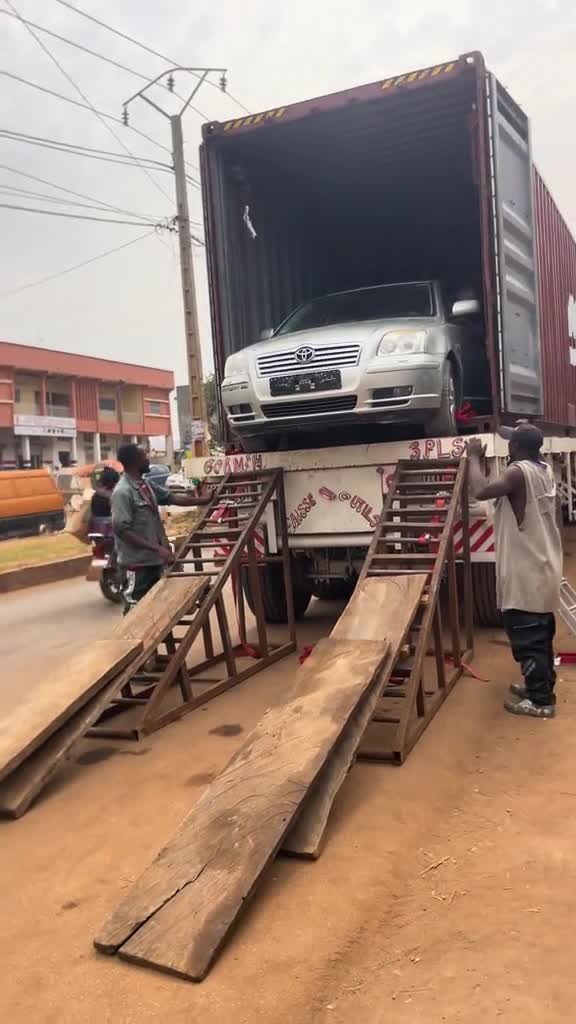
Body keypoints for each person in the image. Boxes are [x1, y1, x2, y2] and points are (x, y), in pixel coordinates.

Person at [468, 425, 562, 718]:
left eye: (510, 441)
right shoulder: (542, 467)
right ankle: (541, 686)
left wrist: (472, 457)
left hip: (526, 573)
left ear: (517, 447)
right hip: (541, 565)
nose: (507, 445)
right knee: (540, 633)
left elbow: (481, 490)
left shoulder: (518, 473)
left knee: (526, 637)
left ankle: (541, 701)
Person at [112, 443, 210, 613]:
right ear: (135, 461)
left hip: (154, 562)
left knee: (157, 612)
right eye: (144, 455)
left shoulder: (146, 485)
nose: (148, 458)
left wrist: (202, 500)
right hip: (136, 566)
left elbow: (171, 498)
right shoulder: (123, 492)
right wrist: (156, 548)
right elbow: (122, 530)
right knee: (135, 614)